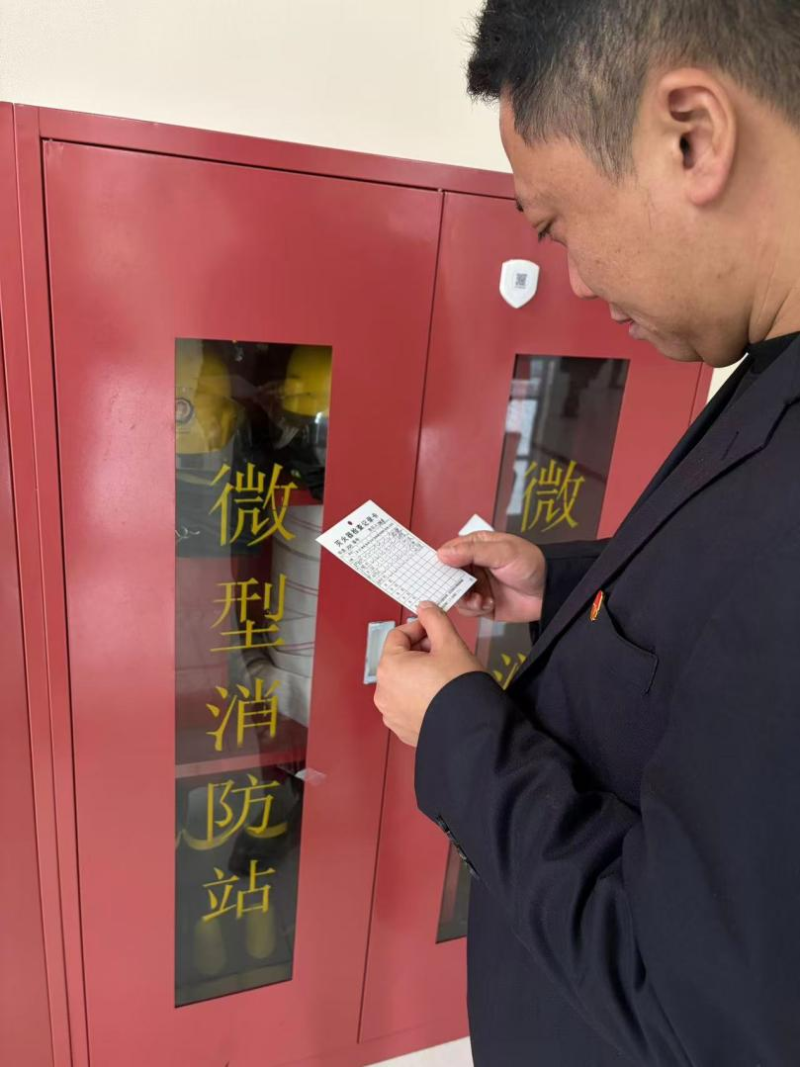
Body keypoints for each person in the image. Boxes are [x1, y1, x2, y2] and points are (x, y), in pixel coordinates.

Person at [373, 1, 800, 1063]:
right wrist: (560, 584)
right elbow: (726, 616)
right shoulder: (768, 373)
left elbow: (689, 1004)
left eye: (555, 222)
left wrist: (459, 727)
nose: (574, 278)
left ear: (691, 134)